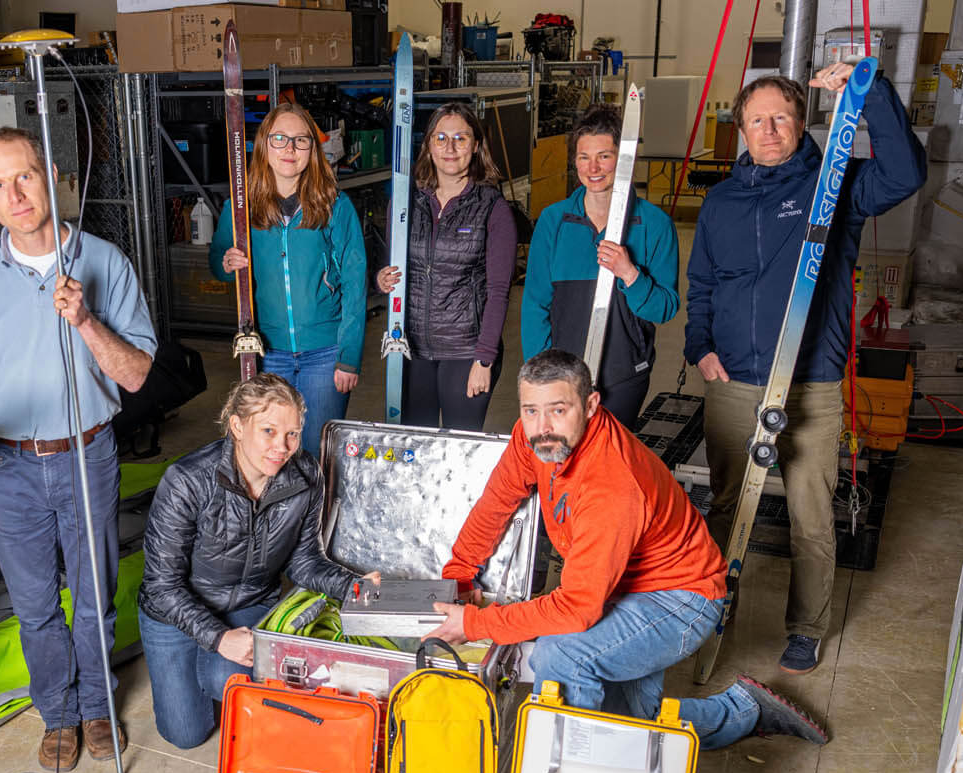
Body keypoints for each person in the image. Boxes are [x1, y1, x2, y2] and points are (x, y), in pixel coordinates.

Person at [423, 350, 829, 751]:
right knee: (632, 724)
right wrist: (458, 577)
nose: (542, 427)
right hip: (621, 586)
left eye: (558, 410)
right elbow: (497, 502)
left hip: (680, 600)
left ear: (591, 404)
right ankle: (743, 711)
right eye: (531, 410)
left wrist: (476, 624)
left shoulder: (610, 483)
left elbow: (577, 609)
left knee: (563, 657)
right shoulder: (534, 438)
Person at [685, 62, 926, 675]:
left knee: (810, 516)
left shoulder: (835, 186)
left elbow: (905, 172)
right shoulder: (720, 201)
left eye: (781, 118)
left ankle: (806, 626)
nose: (768, 130)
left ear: (802, 124)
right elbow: (704, 283)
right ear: (739, 128)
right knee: (724, 507)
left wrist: (872, 96)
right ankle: (712, 607)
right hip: (733, 380)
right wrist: (699, 348)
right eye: (756, 120)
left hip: (811, 383)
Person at [0, 127, 157, 771]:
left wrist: (86, 321)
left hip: (87, 453)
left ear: (52, 174)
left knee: (93, 595)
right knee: (34, 606)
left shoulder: (104, 262)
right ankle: (57, 714)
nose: (16, 194)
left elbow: (137, 374)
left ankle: (96, 707)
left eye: (25, 176)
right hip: (6, 464)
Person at [137, 375, 377, 748]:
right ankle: (205, 669)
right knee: (186, 734)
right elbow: (161, 585)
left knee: (224, 679)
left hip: (249, 601)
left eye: (293, 434)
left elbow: (303, 563)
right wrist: (217, 637)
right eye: (268, 430)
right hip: (173, 611)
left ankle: (219, 675)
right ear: (236, 425)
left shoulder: (305, 475)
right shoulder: (187, 481)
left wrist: (354, 586)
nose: (282, 447)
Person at [211, 103, 368, 458]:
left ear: (313, 150)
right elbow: (219, 264)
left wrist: (349, 356)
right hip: (267, 353)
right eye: (280, 139)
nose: (290, 149)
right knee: (271, 455)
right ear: (264, 145)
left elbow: (356, 284)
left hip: (325, 355)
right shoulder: (240, 208)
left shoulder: (334, 205)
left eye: (301, 140)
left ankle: (314, 517)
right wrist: (227, 262)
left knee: (316, 455)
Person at [521, 105, 681, 429]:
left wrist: (630, 273)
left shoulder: (654, 224)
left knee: (609, 468)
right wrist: (541, 368)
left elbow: (664, 309)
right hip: (561, 375)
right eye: (583, 157)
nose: (593, 167)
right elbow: (535, 302)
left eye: (604, 156)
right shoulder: (555, 220)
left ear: (624, 161)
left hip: (624, 375)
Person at [374, 102, 516, 431]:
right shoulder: (406, 202)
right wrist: (383, 279)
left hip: (466, 352)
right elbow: (398, 267)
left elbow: (497, 292)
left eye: (460, 138)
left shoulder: (492, 209)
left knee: (458, 452)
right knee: (414, 450)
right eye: (440, 138)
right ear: (428, 146)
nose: (450, 148)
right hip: (412, 350)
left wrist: (484, 359)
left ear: (476, 145)